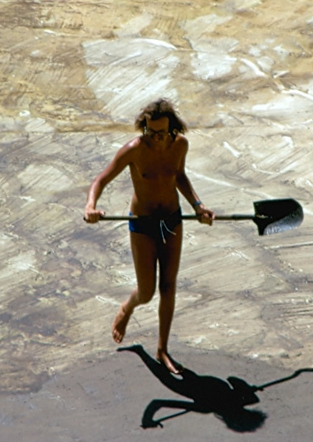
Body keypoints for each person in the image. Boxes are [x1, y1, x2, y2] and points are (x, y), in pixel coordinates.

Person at [84, 98, 215, 374]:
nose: (156, 139)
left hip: (171, 221)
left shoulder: (180, 145)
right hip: (142, 223)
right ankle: (128, 307)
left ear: (172, 129)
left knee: (168, 287)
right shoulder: (134, 150)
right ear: (144, 128)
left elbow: (179, 176)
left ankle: (163, 349)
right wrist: (90, 206)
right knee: (147, 292)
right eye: (150, 132)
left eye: (162, 133)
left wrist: (197, 205)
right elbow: (100, 180)